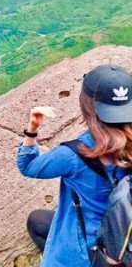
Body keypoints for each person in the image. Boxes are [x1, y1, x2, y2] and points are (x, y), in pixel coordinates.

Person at [17, 64, 132, 267]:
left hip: (88, 248)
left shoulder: (73, 155)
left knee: (42, 225)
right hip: (124, 232)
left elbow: (28, 166)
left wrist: (32, 128)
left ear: (88, 106)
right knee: (38, 221)